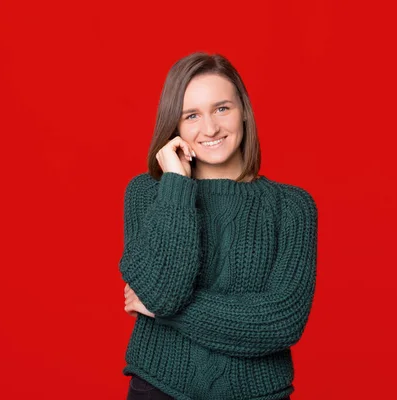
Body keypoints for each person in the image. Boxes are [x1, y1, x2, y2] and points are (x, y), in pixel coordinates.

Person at [119, 51, 318, 400]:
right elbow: (163, 289)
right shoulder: (149, 193)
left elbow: (279, 323)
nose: (210, 128)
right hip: (159, 389)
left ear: (243, 112)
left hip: (258, 395)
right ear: (175, 126)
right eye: (191, 115)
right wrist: (177, 185)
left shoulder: (292, 206)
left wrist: (163, 311)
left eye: (222, 108)